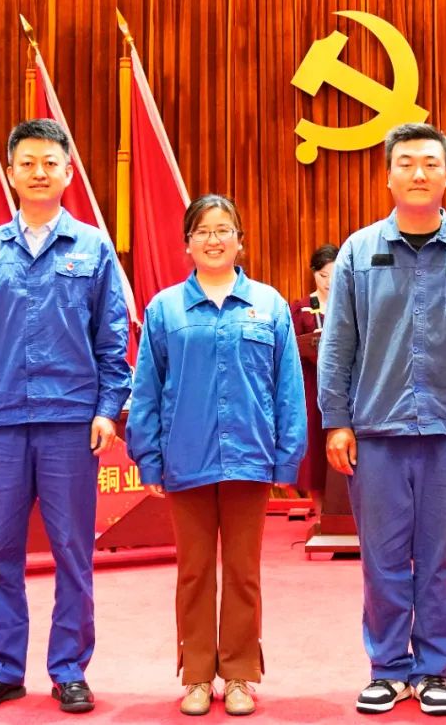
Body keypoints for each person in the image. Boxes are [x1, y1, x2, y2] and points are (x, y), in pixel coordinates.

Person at [318, 122, 446, 716]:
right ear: (388, 175)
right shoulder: (358, 252)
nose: (419, 173)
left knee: (442, 560)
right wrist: (336, 419)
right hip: (376, 432)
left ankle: (433, 669)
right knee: (381, 559)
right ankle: (387, 668)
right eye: (406, 163)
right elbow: (338, 342)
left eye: (430, 162)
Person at [0, 118, 131, 714]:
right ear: (10, 173)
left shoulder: (93, 248)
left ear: (68, 172)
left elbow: (112, 339)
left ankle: (69, 669)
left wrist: (108, 409)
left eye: (50, 162)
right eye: (27, 162)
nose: (39, 172)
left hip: (70, 423)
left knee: (73, 553)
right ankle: (2, 668)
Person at [126, 194, 307, 717]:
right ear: (187, 243)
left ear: (240, 240)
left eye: (223, 229)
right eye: (202, 231)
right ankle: (198, 675)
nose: (213, 239)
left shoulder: (268, 305)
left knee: (244, 572)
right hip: (187, 458)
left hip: (250, 457)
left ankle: (241, 674)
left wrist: (286, 457)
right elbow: (147, 388)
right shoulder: (165, 309)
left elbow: (288, 389)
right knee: (194, 572)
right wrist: (149, 457)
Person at [290, 243, 338, 513]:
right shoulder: (302, 308)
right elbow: (290, 348)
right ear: (313, 274)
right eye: (323, 275)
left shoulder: (353, 304)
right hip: (312, 385)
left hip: (346, 388)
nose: (329, 282)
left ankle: (348, 513)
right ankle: (321, 512)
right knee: (316, 447)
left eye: (335, 274)